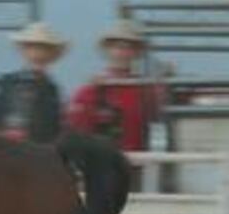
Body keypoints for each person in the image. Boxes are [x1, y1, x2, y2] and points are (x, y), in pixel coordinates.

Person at [67, 19, 161, 151]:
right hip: (102, 162)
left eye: (128, 47)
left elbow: (160, 113)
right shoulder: (90, 90)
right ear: (107, 50)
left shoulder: (145, 89)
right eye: (116, 47)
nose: (121, 53)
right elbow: (77, 126)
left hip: (135, 161)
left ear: (136, 53)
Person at [0, 21, 66, 144]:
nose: (38, 53)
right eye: (33, 47)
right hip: (7, 149)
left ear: (51, 55)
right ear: (24, 51)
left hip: (40, 152)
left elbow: (55, 126)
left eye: (44, 48)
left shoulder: (52, 89)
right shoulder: (6, 84)